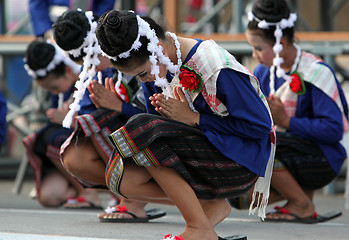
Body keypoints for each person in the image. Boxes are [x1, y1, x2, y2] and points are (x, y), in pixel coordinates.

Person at [96, 9, 275, 240]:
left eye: (143, 73)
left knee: (142, 129)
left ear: (157, 48)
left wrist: (195, 119)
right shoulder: (156, 70)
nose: (145, 80)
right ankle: (210, 208)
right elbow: (158, 125)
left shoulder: (214, 65)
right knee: (122, 179)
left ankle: (199, 229)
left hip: (241, 161)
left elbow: (260, 127)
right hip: (204, 153)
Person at [52, 9, 166, 223]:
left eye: (94, 58)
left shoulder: (137, 59)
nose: (93, 66)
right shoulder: (101, 71)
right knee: (75, 155)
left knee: (97, 121)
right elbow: (86, 111)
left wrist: (119, 107)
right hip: (133, 140)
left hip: (158, 139)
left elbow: (160, 114)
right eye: (85, 64)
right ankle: (126, 196)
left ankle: (134, 201)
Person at [245, 0, 348, 223]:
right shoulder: (264, 71)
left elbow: (334, 130)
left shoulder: (315, 72)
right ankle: (299, 198)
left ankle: (301, 204)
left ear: (280, 43)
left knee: (266, 147)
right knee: (243, 198)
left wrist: (286, 120)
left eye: (259, 48)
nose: (254, 54)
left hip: (322, 159)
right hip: (289, 151)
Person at [23, 38, 104, 208]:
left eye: (54, 87)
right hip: (73, 153)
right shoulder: (62, 90)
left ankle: (90, 193)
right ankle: (81, 187)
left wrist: (70, 120)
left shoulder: (92, 77)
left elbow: (105, 121)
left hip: (95, 148)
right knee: (48, 197)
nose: (54, 92)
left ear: (68, 70)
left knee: (52, 137)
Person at [29, 0, 117, 38]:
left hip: (89, 33)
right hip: (53, 30)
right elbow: (37, 5)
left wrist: (95, 28)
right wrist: (48, 32)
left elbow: (105, 5)